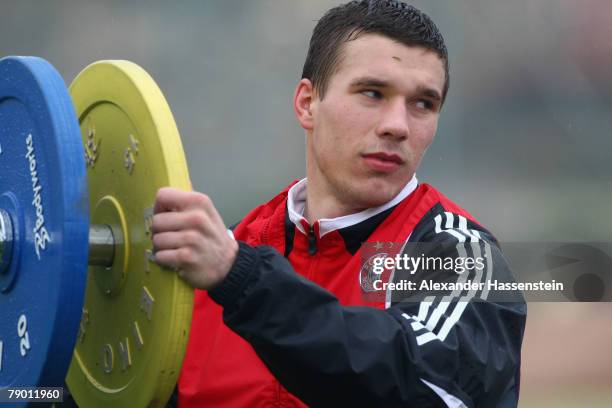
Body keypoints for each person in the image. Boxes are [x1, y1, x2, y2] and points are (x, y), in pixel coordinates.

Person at [152, 1, 526, 406]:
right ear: (307, 103)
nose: (397, 126)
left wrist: (242, 280)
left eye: (423, 103)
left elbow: (416, 384)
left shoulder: (461, 256)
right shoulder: (215, 262)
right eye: (372, 93)